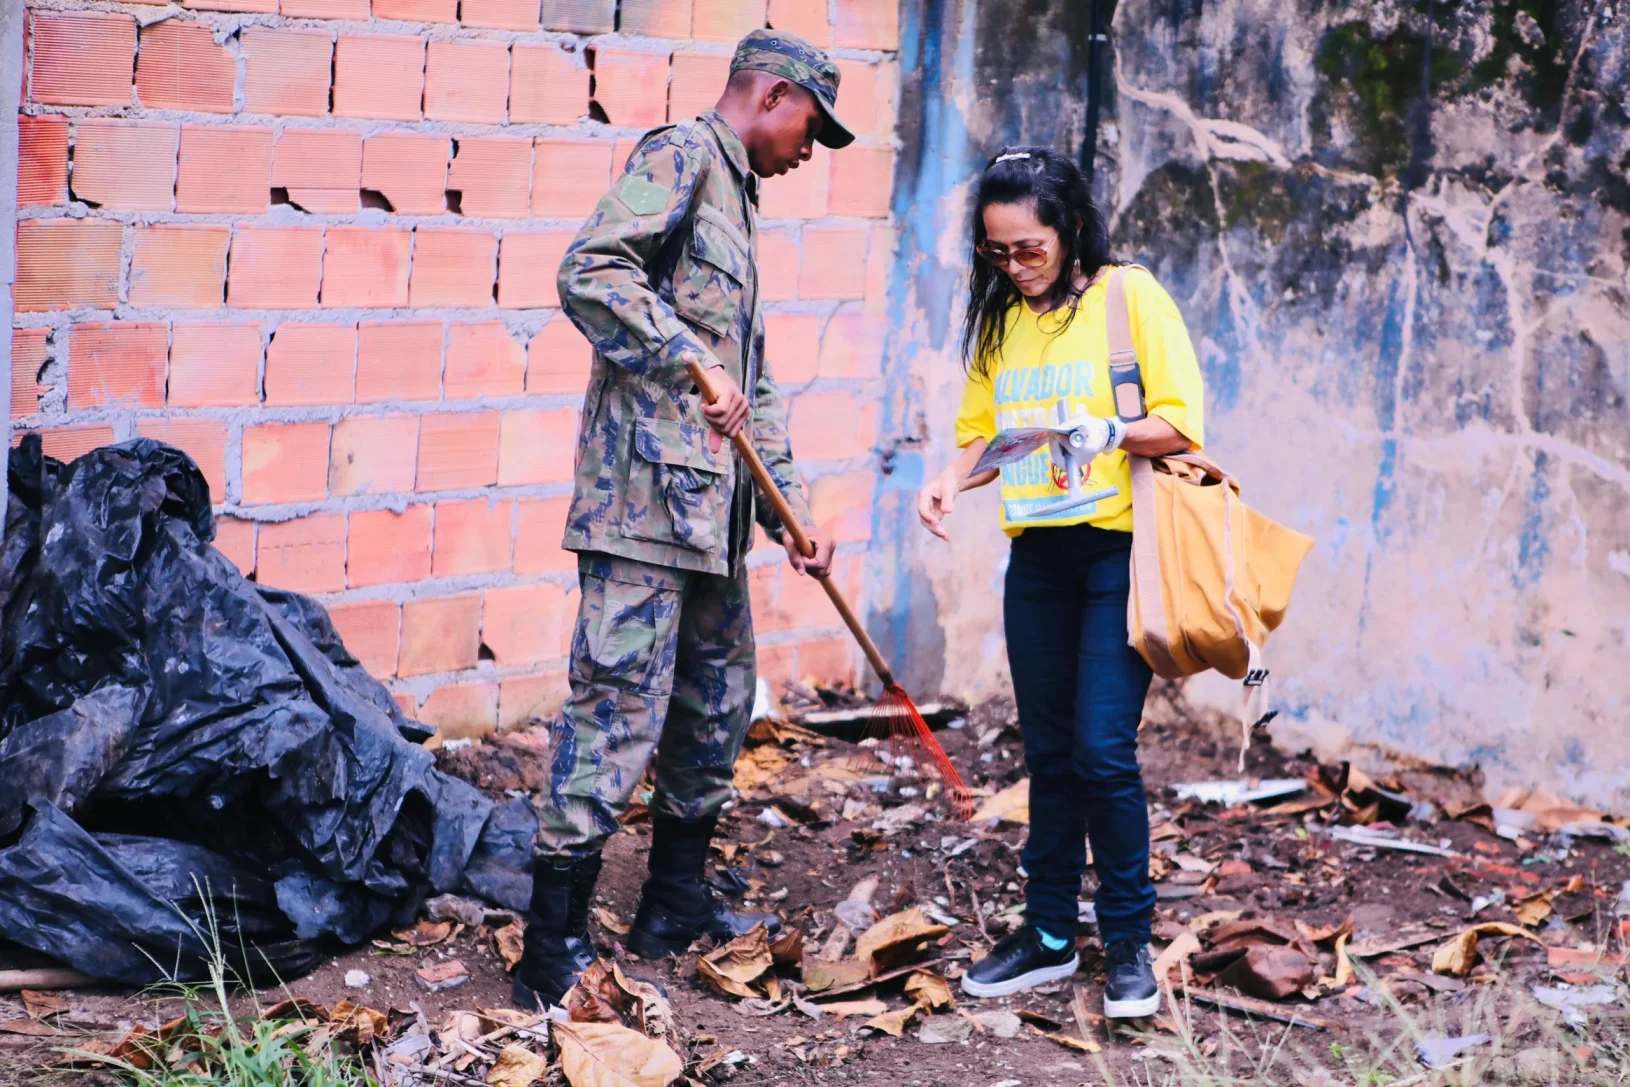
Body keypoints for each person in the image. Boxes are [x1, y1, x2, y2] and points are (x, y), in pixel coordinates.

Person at [509, 30, 857, 1010]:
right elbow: (591, 270)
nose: (808, 153)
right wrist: (682, 358)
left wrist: (791, 506)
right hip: (641, 507)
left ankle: (673, 901)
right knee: (616, 711)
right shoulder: (679, 156)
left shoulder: (739, 199)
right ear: (774, 95)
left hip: (716, 514)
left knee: (713, 708)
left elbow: (754, 382)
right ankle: (548, 951)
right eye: (811, 130)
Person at [917, 146, 1205, 1018]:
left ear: (1070, 227)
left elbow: (1183, 421)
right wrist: (947, 477)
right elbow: (979, 431)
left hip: (1118, 552)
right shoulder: (1003, 317)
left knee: (1101, 749)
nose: (1013, 265)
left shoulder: (1130, 297)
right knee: (1047, 755)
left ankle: (1126, 944)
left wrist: (1110, 430)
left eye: (1028, 249)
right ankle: (1046, 935)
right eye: (997, 252)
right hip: (1036, 558)